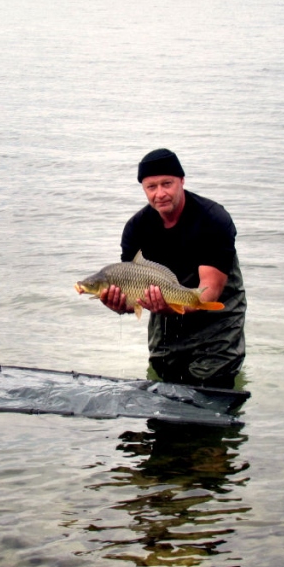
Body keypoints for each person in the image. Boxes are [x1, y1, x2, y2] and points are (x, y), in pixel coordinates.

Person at [100, 148, 246, 389]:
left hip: (218, 316)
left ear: (182, 181)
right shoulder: (136, 229)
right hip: (165, 317)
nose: (160, 194)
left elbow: (209, 293)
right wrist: (118, 305)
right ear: (144, 189)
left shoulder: (213, 219)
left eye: (167, 184)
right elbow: (132, 297)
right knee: (164, 385)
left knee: (210, 386)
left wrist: (171, 306)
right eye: (151, 187)